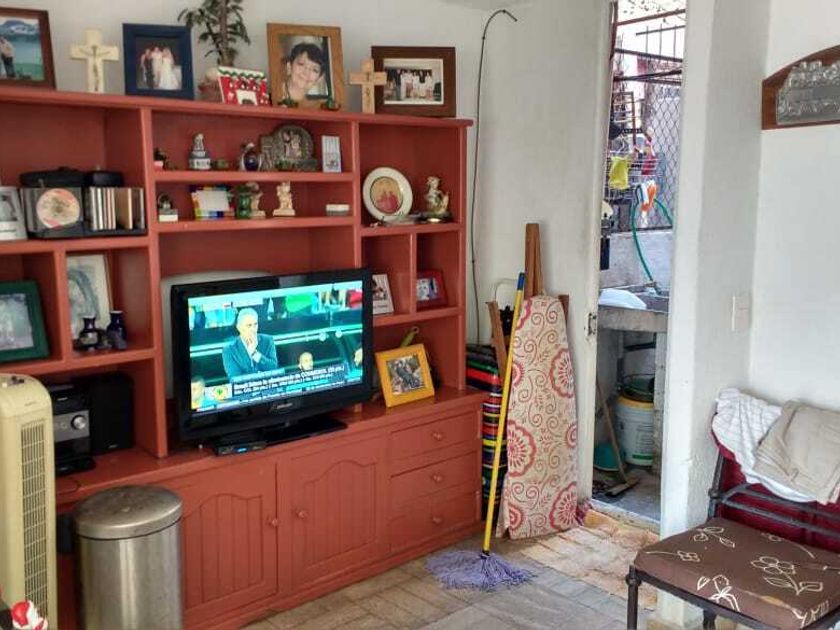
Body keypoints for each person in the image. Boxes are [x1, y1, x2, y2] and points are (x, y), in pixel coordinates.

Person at [222, 308, 279, 378]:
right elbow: (235, 378)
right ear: (239, 328)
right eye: (249, 325)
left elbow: (273, 368)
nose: (253, 329)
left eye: (255, 324)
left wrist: (255, 354)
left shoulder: (268, 340)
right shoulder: (229, 350)